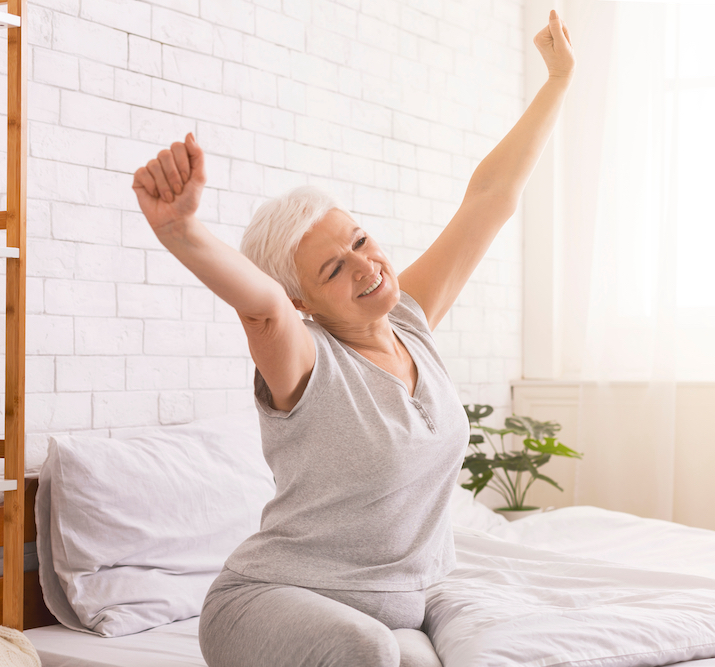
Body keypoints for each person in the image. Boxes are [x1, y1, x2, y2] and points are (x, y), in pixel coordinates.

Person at [131, 10, 575, 667]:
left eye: (361, 241)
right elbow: (261, 309)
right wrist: (179, 231)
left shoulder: (409, 323)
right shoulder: (306, 358)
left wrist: (560, 79)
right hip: (269, 603)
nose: (366, 266)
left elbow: (490, 197)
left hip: (388, 611)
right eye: (334, 268)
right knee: (369, 651)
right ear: (303, 300)